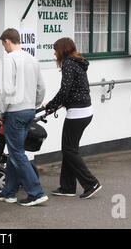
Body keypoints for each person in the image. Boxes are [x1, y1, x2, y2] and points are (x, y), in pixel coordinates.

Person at [0, 28, 48, 206]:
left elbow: (7, 90)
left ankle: (36, 192)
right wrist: (34, 104)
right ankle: (9, 193)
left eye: (3, 44)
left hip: (14, 112)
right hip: (28, 111)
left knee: (17, 153)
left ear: (8, 41)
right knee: (14, 152)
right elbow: (41, 87)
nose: (4, 48)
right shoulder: (32, 58)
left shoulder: (10, 59)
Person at [44, 37, 102, 199]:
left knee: (69, 150)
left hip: (78, 113)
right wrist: (62, 103)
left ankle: (91, 183)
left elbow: (65, 90)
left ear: (62, 50)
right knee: (70, 149)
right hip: (84, 110)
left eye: (56, 50)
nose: (54, 53)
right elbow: (76, 89)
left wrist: (50, 105)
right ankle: (68, 187)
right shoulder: (78, 62)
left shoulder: (68, 63)